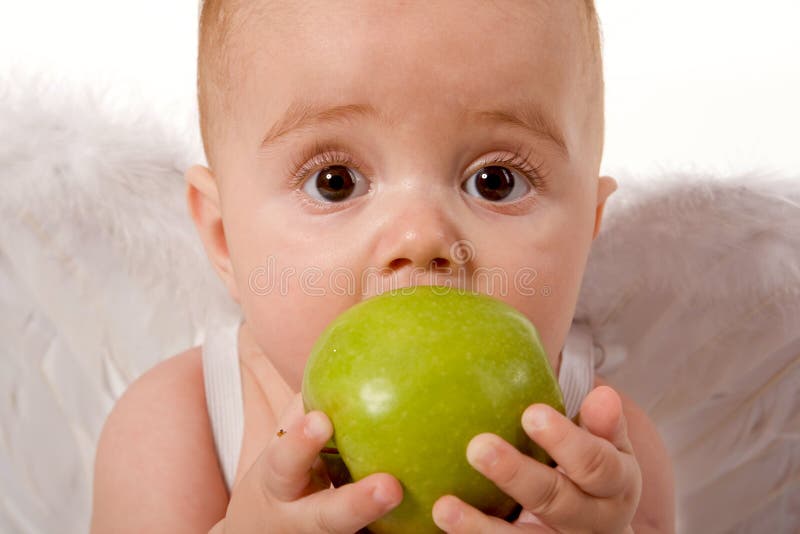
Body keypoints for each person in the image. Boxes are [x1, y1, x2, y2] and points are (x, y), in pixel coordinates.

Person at [91, 1, 675, 532]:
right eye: (335, 182)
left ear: (589, 228)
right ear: (224, 239)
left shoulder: (604, 460)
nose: (421, 238)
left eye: (496, 182)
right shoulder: (176, 430)